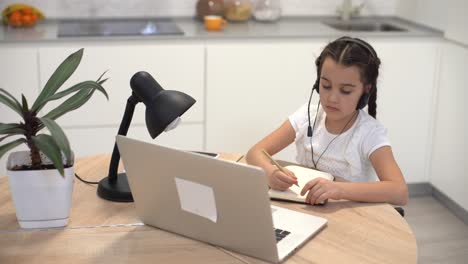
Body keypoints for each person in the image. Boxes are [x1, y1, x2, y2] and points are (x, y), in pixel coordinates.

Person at [246, 36, 408, 206]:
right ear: (317, 84)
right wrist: (270, 173)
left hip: (351, 217)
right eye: (326, 86)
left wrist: (339, 189)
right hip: (306, 209)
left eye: (345, 91)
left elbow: (399, 192)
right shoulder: (306, 116)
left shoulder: (370, 133)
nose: (332, 98)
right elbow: (254, 152)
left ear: (365, 91)